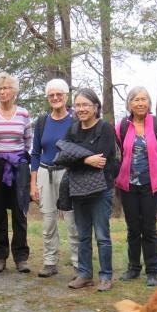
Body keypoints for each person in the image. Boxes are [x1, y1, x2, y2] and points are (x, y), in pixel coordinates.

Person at [115, 87, 157, 287]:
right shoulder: (122, 125)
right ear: (129, 104)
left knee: (149, 228)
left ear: (149, 103)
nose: (140, 103)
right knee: (132, 228)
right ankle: (133, 268)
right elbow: (118, 152)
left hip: (151, 185)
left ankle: (153, 271)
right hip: (128, 185)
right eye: (136, 100)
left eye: (144, 99)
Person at [63, 89, 116, 291]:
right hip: (78, 189)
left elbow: (100, 159)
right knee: (82, 234)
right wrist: (85, 159)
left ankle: (106, 276)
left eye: (86, 105)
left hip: (101, 189)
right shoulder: (73, 129)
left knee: (102, 235)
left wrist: (76, 159)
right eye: (78, 105)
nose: (81, 109)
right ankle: (85, 274)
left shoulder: (105, 129)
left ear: (96, 107)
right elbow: (63, 156)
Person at [0, 72, 32, 273]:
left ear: (14, 91)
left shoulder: (23, 114)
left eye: (7, 88)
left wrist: (17, 158)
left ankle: (21, 257)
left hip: (18, 167)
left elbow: (28, 141)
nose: (3, 92)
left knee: (20, 213)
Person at [30, 79, 79, 278]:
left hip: (68, 174)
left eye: (59, 94)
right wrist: (33, 183)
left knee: (72, 220)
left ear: (66, 96)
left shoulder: (75, 121)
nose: (56, 98)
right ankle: (50, 262)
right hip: (44, 172)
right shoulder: (42, 122)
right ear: (48, 98)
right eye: (51, 95)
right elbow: (35, 153)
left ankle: (78, 263)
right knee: (48, 220)